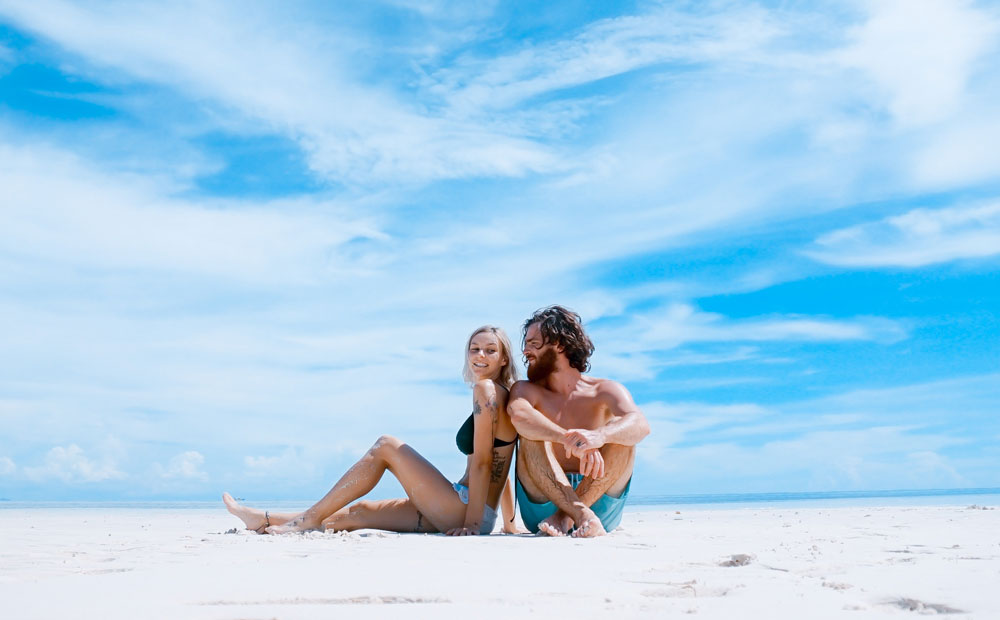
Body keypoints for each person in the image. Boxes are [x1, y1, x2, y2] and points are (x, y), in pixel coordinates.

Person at [223, 325, 522, 536]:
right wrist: (505, 522)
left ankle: (307, 519)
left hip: (465, 509)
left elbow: (484, 462)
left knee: (387, 445)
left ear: (503, 358)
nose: (480, 355)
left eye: (490, 350)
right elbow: (502, 466)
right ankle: (261, 519)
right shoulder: (504, 395)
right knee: (359, 513)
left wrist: (472, 525)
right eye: (474, 349)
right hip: (471, 508)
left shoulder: (485, 391)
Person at [508, 305, 650, 538]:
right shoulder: (525, 390)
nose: (525, 351)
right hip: (543, 501)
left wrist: (600, 435)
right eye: (526, 344)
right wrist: (571, 439)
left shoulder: (605, 389)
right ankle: (577, 513)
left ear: (561, 345)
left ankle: (566, 516)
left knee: (623, 435)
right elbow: (519, 415)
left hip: (599, 500)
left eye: (534, 343)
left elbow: (640, 424)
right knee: (531, 433)